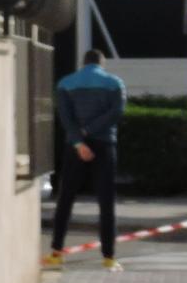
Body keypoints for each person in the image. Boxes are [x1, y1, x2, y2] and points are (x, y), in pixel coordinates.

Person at [46, 50, 127, 271]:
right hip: (104, 145)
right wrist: (90, 130)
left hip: (75, 147)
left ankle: (56, 252)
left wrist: (79, 141)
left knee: (65, 199)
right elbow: (117, 112)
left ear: (83, 63)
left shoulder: (65, 83)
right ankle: (108, 257)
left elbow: (64, 117)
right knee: (106, 202)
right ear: (102, 64)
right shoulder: (115, 83)